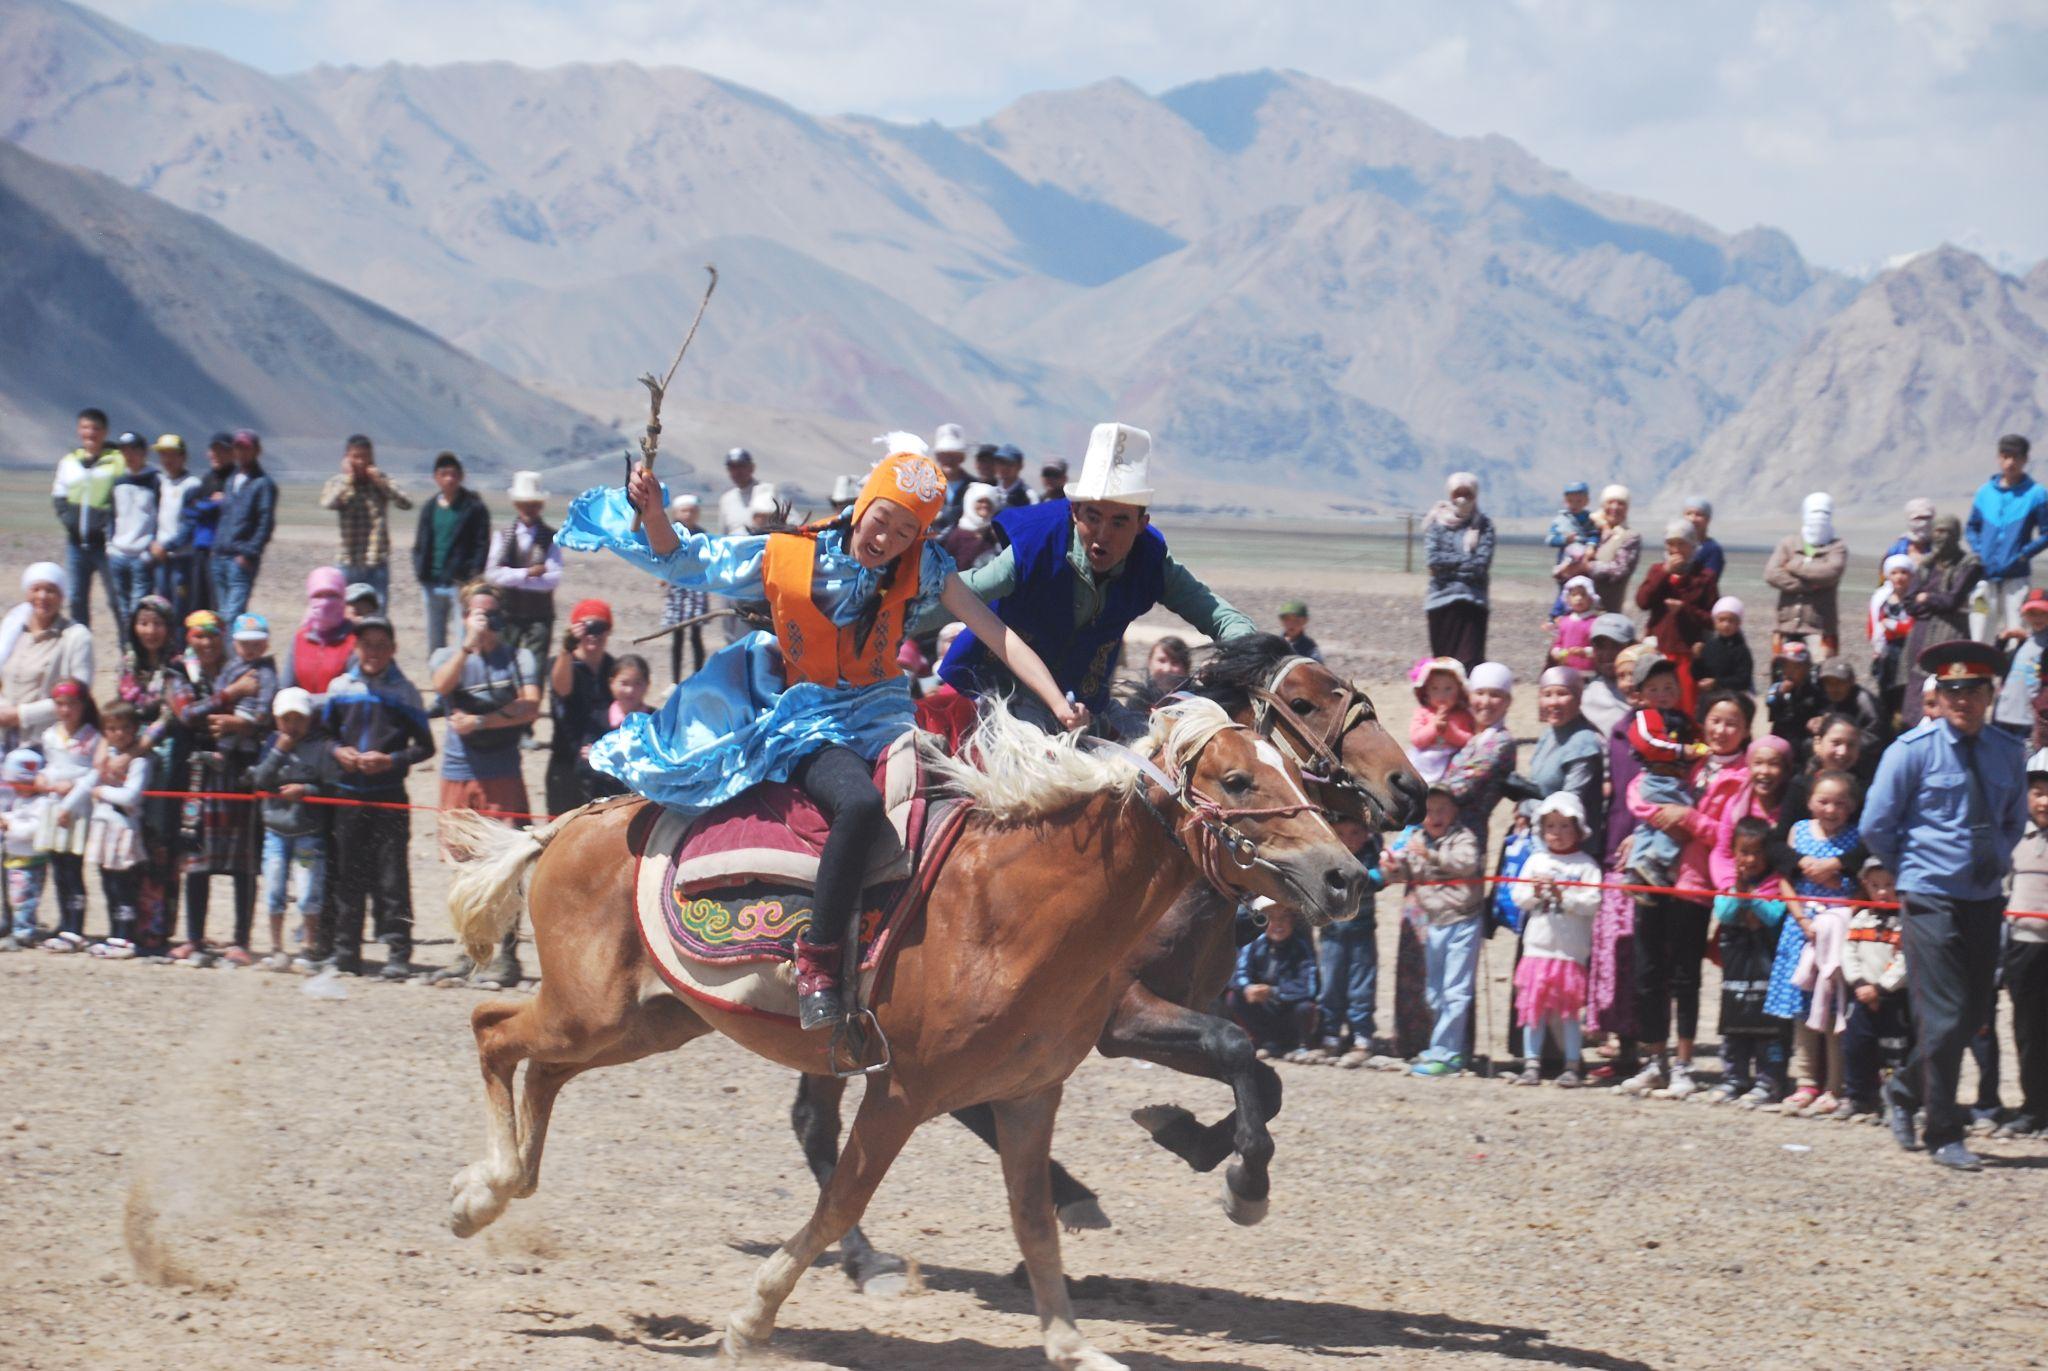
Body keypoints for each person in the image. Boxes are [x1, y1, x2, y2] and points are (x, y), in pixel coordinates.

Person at [561, 435, 1081, 1030]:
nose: (885, 540)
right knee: (859, 806)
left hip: (887, 716)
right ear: (864, 504)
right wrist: (654, 514)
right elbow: (687, 560)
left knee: (964, 805)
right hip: (813, 723)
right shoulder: (787, 557)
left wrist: (1058, 704)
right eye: (882, 521)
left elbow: (998, 634)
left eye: (904, 533)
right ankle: (819, 961)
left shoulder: (928, 568)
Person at [930, 424, 1255, 738]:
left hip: (1087, 708)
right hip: (995, 695)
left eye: (1119, 522)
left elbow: (1218, 615)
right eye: (1093, 517)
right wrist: (895, 611)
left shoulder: (1152, 564)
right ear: (1075, 512)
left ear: (1142, 524)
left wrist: (1254, 660)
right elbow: (960, 591)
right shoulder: (1037, 547)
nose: (1103, 535)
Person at [1864, 641, 2026, 1170]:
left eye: (1973, 690)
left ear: (1989, 694)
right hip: (1930, 896)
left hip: (1983, 897)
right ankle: (1943, 1132)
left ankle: (1905, 1091)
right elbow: (1876, 825)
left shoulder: (2007, 752)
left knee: (1974, 1014)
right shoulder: (1911, 751)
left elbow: (2010, 818)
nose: (1962, 700)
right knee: (1943, 1016)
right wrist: (1908, 869)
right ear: (1938, 693)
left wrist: (1997, 857)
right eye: (1951, 690)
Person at [320, 616, 435, 979]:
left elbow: (425, 747)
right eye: (366, 644)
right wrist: (338, 752)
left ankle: (399, 950)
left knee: (392, 877)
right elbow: (323, 736)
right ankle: (345, 951)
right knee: (347, 875)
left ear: (393, 649)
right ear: (356, 648)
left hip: (389, 798)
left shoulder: (405, 692)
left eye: (381, 644)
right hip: (348, 795)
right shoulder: (339, 688)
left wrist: (391, 760)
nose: (373, 652)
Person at [172, 611, 275, 965]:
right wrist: (232, 694)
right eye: (199, 636)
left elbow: (267, 713)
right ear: (189, 638)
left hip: (237, 770)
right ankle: (194, 938)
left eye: (213, 635)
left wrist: (240, 724)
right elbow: (187, 714)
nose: (206, 642)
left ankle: (241, 941)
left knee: (242, 858)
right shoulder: (179, 672)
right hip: (198, 773)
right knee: (197, 858)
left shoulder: (246, 666)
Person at [429, 585, 542, 886]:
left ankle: (507, 931)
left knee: (507, 856)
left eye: (494, 614)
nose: (488, 622)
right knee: (462, 860)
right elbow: (441, 686)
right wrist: (467, 647)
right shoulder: (446, 656)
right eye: (481, 614)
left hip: (502, 772)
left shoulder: (519, 658)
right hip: (459, 772)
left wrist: (479, 721)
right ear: (465, 617)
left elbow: (530, 707)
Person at [1766, 768, 1861, 1117]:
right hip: (1801, 928)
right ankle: (1805, 1080)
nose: (1831, 809)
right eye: (1823, 801)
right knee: (1802, 1008)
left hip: (1837, 931)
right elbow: (1786, 880)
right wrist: (1802, 919)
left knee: (1834, 1006)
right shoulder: (1798, 832)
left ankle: (1835, 1085)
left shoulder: (1855, 839)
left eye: (1839, 802)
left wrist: (1840, 913)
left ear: (1851, 806)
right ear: (1809, 802)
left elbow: (1861, 888)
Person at [1384, 784, 1484, 1077]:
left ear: (1454, 812)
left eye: (1443, 809)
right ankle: (1441, 1047)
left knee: (1456, 990)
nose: (1436, 816)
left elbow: (1466, 864)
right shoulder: (1417, 839)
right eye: (1429, 810)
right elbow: (1407, 872)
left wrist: (1429, 856)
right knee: (1435, 991)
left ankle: (1449, 1053)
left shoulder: (1463, 837)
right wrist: (1391, 866)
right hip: (1435, 922)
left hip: (1464, 921)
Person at [1508, 792, 1602, 1086]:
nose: (1557, 833)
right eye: (1551, 826)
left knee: (1568, 1014)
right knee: (1534, 1008)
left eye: (1564, 826)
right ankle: (1531, 1063)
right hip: (1537, 948)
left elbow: (1593, 902)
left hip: (1569, 952)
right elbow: (1518, 896)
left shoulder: (1586, 865)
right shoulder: (1536, 860)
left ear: (1577, 829)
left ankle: (1572, 1063)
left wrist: (1565, 896)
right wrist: (1534, 892)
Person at [250, 687, 342, 972]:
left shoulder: (320, 748)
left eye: (298, 719)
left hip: (307, 835)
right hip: (276, 832)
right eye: (286, 719)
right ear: (277, 720)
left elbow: (331, 786)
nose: (292, 725)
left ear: (309, 719)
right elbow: (260, 779)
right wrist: (279, 751)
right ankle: (276, 948)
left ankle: (307, 946)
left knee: (307, 890)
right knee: (275, 887)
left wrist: (306, 790)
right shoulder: (270, 744)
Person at [1709, 817, 1794, 1105]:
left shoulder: (1777, 883)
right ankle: (1735, 1077)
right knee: (1735, 1023)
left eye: (1757, 852)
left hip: (1768, 969)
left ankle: (1769, 1080)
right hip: (1737, 972)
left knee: (1769, 1028)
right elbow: (1724, 912)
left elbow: (1774, 915)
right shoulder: (1730, 884)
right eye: (1744, 852)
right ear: (1734, 853)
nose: (1751, 859)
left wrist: (1752, 899)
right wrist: (1741, 891)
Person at [118, 595, 187, 953]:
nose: (150, 631)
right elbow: (121, 707)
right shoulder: (128, 662)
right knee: (133, 842)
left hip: (163, 762)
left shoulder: (177, 665)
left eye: (158, 623)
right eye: (144, 623)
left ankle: (157, 930)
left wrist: (137, 748)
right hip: (130, 759)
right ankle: (130, 925)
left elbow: (171, 715)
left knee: (161, 845)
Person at [31, 680, 100, 952]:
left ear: (83, 706)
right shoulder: (50, 735)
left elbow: (94, 772)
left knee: (74, 869)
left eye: (72, 704)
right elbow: (51, 766)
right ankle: (64, 921)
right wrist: (42, 777)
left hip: (77, 809)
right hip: (53, 806)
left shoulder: (92, 737)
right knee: (58, 868)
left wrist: (71, 791)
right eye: (60, 704)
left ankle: (76, 926)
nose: (66, 710)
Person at [2000, 751, 2048, 1139]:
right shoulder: (2015, 838)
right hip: (2024, 946)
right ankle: (2033, 1107)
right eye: (2037, 792)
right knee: (2028, 1029)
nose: (2044, 801)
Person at [1840, 858, 1910, 1124]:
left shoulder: (1905, 922)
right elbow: (1848, 953)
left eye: (1889, 885)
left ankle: (1895, 1100)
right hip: (1861, 994)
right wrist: (1858, 982)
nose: (1882, 892)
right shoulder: (1860, 920)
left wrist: (1881, 988)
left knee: (1895, 1053)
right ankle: (1858, 1096)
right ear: (1865, 886)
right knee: (1856, 1046)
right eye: (1876, 885)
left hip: (1892, 998)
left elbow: (1906, 961)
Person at [0, 564, 95, 754]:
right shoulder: (13, 631)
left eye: (50, 591)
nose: (42, 597)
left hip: (44, 739)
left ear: (61, 597)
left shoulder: (76, 637)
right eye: (36, 589)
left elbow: (78, 695)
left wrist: (19, 715)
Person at [1315, 816, 1386, 1064]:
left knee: (1361, 987)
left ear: (1366, 834)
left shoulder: (1370, 855)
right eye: (1342, 832)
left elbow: (1380, 877)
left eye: (1356, 832)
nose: (1349, 839)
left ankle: (1362, 1038)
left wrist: (1367, 878)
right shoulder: (1327, 857)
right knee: (1331, 985)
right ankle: (1331, 1035)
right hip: (1332, 934)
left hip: (1362, 933)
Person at [81, 700, 150, 957]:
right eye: (112, 728)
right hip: (102, 829)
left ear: (134, 730)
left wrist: (103, 792)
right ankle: (114, 933)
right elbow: (86, 784)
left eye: (124, 727)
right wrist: (67, 807)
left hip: (122, 830)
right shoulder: (104, 760)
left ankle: (125, 936)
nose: (118, 733)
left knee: (123, 885)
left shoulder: (138, 762)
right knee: (108, 884)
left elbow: (131, 796)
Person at [1900, 514, 1981, 724]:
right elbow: (1909, 603)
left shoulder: (1969, 564)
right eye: (1938, 531)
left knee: (1947, 682)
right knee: (1917, 686)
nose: (1942, 537)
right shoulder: (1926, 566)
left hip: (1951, 635)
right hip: (1921, 635)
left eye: (1947, 532)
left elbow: (1953, 600)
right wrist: (1936, 604)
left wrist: (1927, 598)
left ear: (1956, 536)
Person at [1967, 435, 2048, 643]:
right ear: (1998, 458)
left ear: (2025, 459)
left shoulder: (2036, 494)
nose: (2010, 462)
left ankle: (2016, 673)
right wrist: (1979, 551)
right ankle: (1980, 673)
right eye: (2006, 456)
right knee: (1980, 630)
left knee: (2018, 632)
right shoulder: (1985, 493)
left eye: (2016, 457)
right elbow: (1971, 527)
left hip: (2017, 577)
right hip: (1985, 576)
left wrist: (2023, 555)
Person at [318, 434, 413, 607]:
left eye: (365, 457)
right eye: (356, 457)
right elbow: (328, 502)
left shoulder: (382, 481)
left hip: (375, 560)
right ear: (347, 458)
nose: (361, 462)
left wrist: (380, 483)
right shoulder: (338, 482)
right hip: (348, 559)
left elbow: (405, 503)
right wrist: (348, 480)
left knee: (378, 611)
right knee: (344, 612)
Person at [412, 452, 491, 656]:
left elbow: (482, 543)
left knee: (464, 634)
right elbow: (421, 542)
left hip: (460, 583)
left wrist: (473, 575)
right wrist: (420, 569)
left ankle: (462, 679)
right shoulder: (429, 508)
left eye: (454, 474)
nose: (449, 479)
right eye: (444, 474)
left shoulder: (473, 508)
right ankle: (439, 679)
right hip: (432, 581)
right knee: (434, 637)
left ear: (461, 477)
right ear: (436, 477)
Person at [1523, 666, 1607, 858]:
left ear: (1578, 699)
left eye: (1562, 694)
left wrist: (1526, 806)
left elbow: (1567, 806)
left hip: (1571, 850)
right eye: (1547, 694)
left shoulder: (1583, 742)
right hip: (1546, 839)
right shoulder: (1548, 734)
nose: (1554, 702)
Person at [1635, 519, 1717, 713]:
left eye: (1682, 543)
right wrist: (1665, 572)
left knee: (1686, 704)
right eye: (1671, 544)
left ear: (1692, 545)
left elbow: (1712, 619)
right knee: (1656, 701)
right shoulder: (1657, 571)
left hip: (1687, 652)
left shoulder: (1704, 577)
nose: (1676, 549)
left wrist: (1685, 609)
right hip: (1659, 648)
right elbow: (1642, 601)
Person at [1621, 708, 1706, 889]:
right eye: (1654, 689)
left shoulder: (1675, 719)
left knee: (1650, 827)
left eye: (1668, 688)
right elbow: (1648, 743)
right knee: (1678, 818)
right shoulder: (1647, 721)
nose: (1662, 695)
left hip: (1656, 781)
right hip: (1663, 781)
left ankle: (1634, 870)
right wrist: (1683, 750)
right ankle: (1656, 861)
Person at [51, 407, 119, 628]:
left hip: (107, 545)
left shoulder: (117, 462)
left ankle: (129, 654)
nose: (90, 433)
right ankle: (81, 652)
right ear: (79, 430)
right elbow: (59, 496)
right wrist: (69, 521)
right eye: (85, 427)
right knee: (77, 600)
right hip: (76, 544)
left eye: (95, 428)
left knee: (117, 600)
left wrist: (107, 525)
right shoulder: (69, 462)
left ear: (105, 432)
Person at [1225, 903, 1321, 1060]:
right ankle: (1260, 1042)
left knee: (1306, 1007)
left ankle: (1302, 1044)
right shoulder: (1255, 943)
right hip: (1265, 1008)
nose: (1278, 924)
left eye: (1283, 918)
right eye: (1272, 919)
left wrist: (1274, 992)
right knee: (1234, 998)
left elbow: (1309, 987)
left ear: (1292, 921)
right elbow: (1239, 973)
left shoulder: (1301, 947)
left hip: (1289, 1008)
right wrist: (1248, 988)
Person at [484, 471, 563, 661]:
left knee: (535, 667)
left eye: (534, 505)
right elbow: (491, 574)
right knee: (504, 666)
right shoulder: (502, 536)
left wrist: (512, 578)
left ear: (541, 506)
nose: (529, 509)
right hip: (507, 614)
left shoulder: (552, 538)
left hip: (540, 616)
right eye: (525, 504)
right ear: (516, 505)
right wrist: (528, 574)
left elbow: (553, 579)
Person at [1439, 662, 1517, 850]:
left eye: (1495, 695)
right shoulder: (1470, 735)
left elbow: (1461, 786)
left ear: (1508, 701)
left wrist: (1420, 795)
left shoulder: (1501, 742)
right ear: (1468, 696)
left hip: (1466, 837)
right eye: (1480, 693)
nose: (1486, 702)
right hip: (1439, 827)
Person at [1422, 471, 1495, 667]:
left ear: (1475, 495)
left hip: (1473, 600)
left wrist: (1448, 567)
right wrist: (1464, 560)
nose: (1462, 499)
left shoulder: (1484, 525)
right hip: (1440, 600)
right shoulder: (1436, 523)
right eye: (1457, 493)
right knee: (1443, 664)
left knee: (1470, 662)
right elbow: (1433, 560)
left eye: (1467, 494)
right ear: (1450, 494)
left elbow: (1481, 564)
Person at [1764, 492, 1848, 659]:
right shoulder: (1788, 544)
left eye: (1824, 513)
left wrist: (1793, 565)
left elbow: (1830, 572)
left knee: (1820, 678)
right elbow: (1771, 574)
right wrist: (1811, 584)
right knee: (1784, 678)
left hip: (1820, 629)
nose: (1819, 518)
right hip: (1786, 626)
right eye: (1814, 512)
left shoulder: (1837, 547)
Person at [211, 429, 277, 625]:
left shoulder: (263, 484)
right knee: (222, 614)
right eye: (238, 448)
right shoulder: (232, 479)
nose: (241, 453)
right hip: (220, 554)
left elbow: (265, 522)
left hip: (239, 558)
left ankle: (234, 654)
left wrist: (249, 552)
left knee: (233, 614)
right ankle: (226, 654)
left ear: (256, 451)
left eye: (246, 448)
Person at [105, 432, 162, 648]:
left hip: (141, 555)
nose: (129, 455)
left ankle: (139, 654)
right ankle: (126, 653)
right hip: (118, 554)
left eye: (134, 450)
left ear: (144, 452)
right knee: (121, 609)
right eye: (125, 451)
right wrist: (110, 545)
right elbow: (111, 515)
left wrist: (150, 548)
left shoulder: (155, 480)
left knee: (139, 609)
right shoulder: (118, 481)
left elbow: (161, 516)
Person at [278, 568, 358, 702]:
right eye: (318, 596)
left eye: (333, 595)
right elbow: (285, 687)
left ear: (343, 598)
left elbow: (352, 692)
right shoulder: (300, 638)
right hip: (299, 718)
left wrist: (308, 703)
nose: (325, 602)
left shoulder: (354, 640)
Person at [1, 749, 52, 949]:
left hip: (31, 858)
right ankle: (17, 926)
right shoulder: (22, 800)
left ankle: (24, 933)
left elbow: (35, 828)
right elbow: (19, 817)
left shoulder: (42, 803)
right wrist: (9, 819)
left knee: (25, 897)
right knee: (16, 896)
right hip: (16, 855)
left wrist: (9, 825)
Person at [150, 435, 204, 617]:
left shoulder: (192, 485)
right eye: (163, 455)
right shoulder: (161, 483)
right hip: (161, 557)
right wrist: (154, 543)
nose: (167, 460)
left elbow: (190, 525)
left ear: (183, 457)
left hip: (182, 559)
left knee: (181, 609)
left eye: (172, 455)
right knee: (162, 608)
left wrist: (167, 546)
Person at [660, 495, 710, 686]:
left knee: (696, 636)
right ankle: (675, 681)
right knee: (677, 636)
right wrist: (663, 576)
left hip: (696, 589)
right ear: (676, 512)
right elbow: (662, 556)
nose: (687, 514)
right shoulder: (670, 533)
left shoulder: (702, 535)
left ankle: (698, 677)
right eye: (684, 510)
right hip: (677, 589)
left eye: (691, 511)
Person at [182, 436, 233, 613]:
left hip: (223, 551)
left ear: (232, 453)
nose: (216, 455)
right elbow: (192, 509)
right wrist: (209, 504)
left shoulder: (235, 479)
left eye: (222, 451)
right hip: (201, 547)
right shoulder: (208, 478)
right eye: (214, 450)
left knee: (219, 603)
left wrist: (221, 503)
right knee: (197, 600)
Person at [1574, 485, 1641, 614]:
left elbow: (1619, 570)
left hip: (1605, 612)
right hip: (1576, 611)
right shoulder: (1588, 531)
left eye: (1621, 503)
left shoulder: (1630, 537)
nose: (1615, 508)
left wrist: (1587, 567)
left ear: (1627, 508)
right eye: (1610, 502)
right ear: (1602, 505)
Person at [1406, 657, 1474, 785]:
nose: (1441, 695)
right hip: (1424, 761)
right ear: (1426, 691)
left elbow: (1469, 742)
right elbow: (1416, 740)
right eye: (1434, 688)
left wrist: (1449, 731)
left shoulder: (1463, 714)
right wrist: (1434, 728)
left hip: (1452, 764)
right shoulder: (1423, 712)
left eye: (1448, 689)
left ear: (1459, 691)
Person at [1868, 556, 1916, 725]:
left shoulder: (1915, 601)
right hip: (1888, 654)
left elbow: (1914, 627)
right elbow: (1874, 625)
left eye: (1904, 572)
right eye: (1894, 573)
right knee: (1886, 692)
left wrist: (1893, 626)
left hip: (1910, 652)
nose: (1899, 577)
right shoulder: (1881, 600)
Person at [1994, 589, 2048, 739]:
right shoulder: (2023, 643)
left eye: (2043, 613)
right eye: (2032, 613)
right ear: (2024, 615)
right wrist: (2002, 641)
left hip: (2030, 721)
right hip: (2003, 715)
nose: (2038, 618)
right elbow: (1996, 667)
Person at [1580, 614, 1635, 740]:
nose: (1607, 653)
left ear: (1632, 646)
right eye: (1600, 645)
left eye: (1616, 645)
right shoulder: (1586, 696)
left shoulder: (1648, 690)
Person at [1765, 641, 1824, 747]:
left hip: (1805, 734)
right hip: (1782, 731)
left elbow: (1822, 708)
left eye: (1796, 667)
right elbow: (1771, 705)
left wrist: (1818, 719)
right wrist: (1780, 694)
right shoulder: (1777, 686)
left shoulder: (1814, 687)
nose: (1789, 671)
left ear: (1806, 668)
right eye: (1786, 667)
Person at [1695, 595, 1754, 696]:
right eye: (1721, 620)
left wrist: (1717, 683)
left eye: (1731, 620)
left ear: (1738, 623)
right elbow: (1698, 675)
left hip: (1733, 698)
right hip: (1710, 697)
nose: (1726, 624)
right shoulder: (1709, 646)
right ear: (1714, 622)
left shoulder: (1741, 649)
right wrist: (1697, 658)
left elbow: (1743, 680)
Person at [941, 483, 1001, 570]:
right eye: (980, 501)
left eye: (988, 502)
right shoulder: (957, 536)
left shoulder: (996, 533)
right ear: (970, 502)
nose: (984, 505)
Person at [1548, 576, 1599, 672]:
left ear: (1591, 599)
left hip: (1588, 671)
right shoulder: (1564, 621)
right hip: (1566, 670)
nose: (1579, 598)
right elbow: (1558, 643)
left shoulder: (1595, 622)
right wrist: (1556, 652)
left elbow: (1599, 649)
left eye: (1583, 595)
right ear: (1567, 599)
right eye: (1574, 595)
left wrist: (1584, 652)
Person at [928, 424, 971, 533]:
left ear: (962, 457)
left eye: (954, 455)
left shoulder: (974, 487)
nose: (949, 460)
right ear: (937, 457)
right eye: (944, 455)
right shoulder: (924, 485)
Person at [1881, 497, 1937, 577]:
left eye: (1927, 518)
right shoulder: (1896, 551)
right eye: (1918, 518)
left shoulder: (1941, 552)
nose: (1924, 523)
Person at [717, 447, 760, 536]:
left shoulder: (767, 492)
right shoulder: (726, 499)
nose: (737, 471)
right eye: (733, 467)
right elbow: (723, 534)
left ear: (752, 468)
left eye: (741, 466)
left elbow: (792, 521)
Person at [1682, 496, 1724, 581]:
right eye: (1689, 513)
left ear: (1708, 520)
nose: (1693, 519)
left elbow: (1708, 581)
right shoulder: (1677, 546)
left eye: (1699, 514)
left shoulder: (1712, 549)